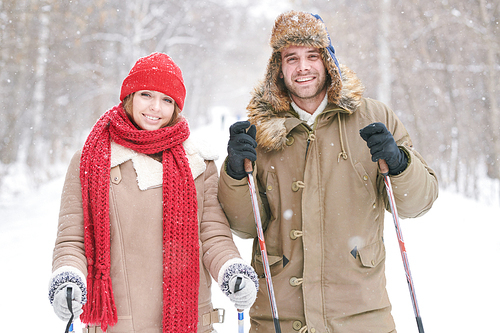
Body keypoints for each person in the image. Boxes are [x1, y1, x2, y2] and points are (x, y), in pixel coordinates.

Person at [218, 11, 438, 333]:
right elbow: (246, 226)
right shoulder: (260, 132)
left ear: (328, 61)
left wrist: (400, 164)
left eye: (312, 56)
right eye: (291, 58)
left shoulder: (373, 117)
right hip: (279, 319)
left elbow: (417, 202)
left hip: (361, 319)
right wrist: (236, 174)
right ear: (278, 68)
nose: (303, 67)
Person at [48, 52, 259, 333]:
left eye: (167, 100)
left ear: (176, 107)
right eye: (146, 95)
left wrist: (232, 270)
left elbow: (212, 236)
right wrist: (68, 278)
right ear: (130, 96)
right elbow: (72, 240)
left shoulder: (198, 162)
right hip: (117, 325)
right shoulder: (93, 159)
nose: (155, 108)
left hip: (188, 323)